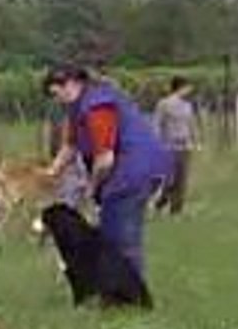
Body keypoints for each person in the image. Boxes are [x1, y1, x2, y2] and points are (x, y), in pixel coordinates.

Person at [44, 63, 172, 277]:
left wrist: (91, 188)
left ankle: (130, 297)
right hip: (124, 173)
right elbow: (70, 145)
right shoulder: (78, 108)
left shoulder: (97, 106)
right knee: (111, 232)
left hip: (133, 172)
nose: (57, 100)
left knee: (121, 235)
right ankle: (116, 292)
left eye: (57, 94)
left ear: (71, 84)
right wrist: (51, 172)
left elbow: (104, 160)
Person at [153, 76, 201, 215]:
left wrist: (195, 140)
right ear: (180, 87)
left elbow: (190, 124)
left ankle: (176, 210)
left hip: (185, 145)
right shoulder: (164, 104)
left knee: (182, 178)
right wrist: (158, 143)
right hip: (169, 145)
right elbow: (157, 123)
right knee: (170, 179)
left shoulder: (187, 106)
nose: (190, 90)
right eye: (187, 87)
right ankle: (161, 201)